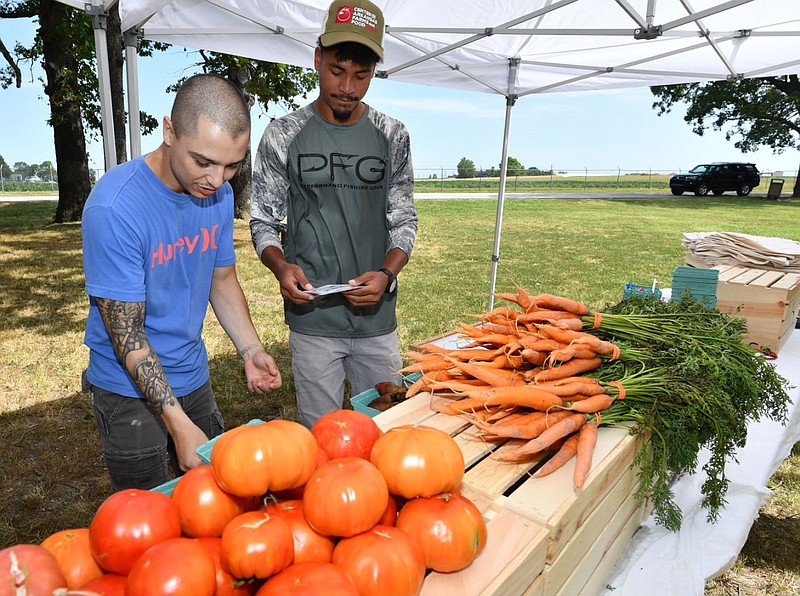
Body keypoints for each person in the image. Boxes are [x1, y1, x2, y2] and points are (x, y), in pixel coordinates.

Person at [81, 73, 282, 491]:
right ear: (169, 130)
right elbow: (127, 336)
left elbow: (221, 277)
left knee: (216, 505)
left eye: (232, 165)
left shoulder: (219, 194)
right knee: (150, 521)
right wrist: (176, 423)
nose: (216, 180)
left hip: (194, 376)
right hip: (128, 393)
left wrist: (250, 349)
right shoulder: (115, 208)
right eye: (203, 162)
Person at [249, 0, 418, 428]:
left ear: (374, 72)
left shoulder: (392, 135)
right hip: (313, 320)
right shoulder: (283, 134)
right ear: (317, 58)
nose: (347, 87)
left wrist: (387, 274)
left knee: (386, 428)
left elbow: (404, 220)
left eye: (361, 76)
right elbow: (264, 221)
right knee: (320, 435)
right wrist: (280, 266)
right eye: (337, 71)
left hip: (376, 317)